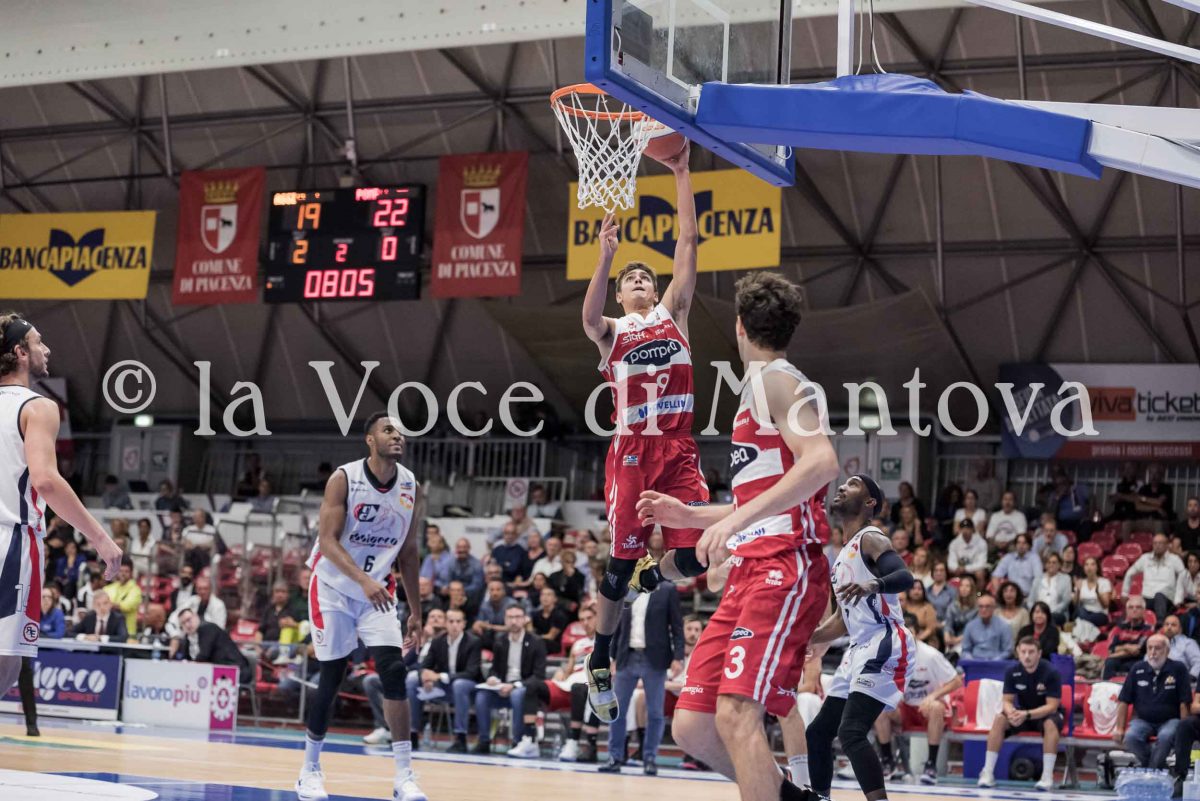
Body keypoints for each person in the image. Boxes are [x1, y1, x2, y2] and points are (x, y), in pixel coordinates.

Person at [636, 270, 837, 801]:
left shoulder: (778, 380)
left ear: (740, 326)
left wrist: (731, 523)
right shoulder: (759, 389)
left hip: (783, 567)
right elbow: (763, 503)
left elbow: (821, 461)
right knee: (693, 725)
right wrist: (694, 515)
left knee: (735, 712)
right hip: (750, 569)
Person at [580, 143, 711, 725]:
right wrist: (605, 257)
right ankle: (599, 659)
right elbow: (588, 320)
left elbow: (689, 242)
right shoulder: (613, 329)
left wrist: (681, 171)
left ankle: (652, 576)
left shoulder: (674, 314)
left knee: (699, 554)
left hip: (678, 448)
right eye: (628, 279)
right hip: (633, 450)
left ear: (655, 292)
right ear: (620, 293)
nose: (637, 281)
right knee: (616, 566)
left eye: (643, 277)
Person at [295, 413, 426, 801]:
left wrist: (416, 612)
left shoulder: (411, 485)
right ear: (370, 440)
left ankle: (404, 777)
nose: (397, 436)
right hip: (333, 588)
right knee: (332, 676)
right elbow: (327, 541)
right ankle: (309, 770)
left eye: (400, 432)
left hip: (378, 592)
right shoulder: (344, 479)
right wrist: (363, 580)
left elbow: (409, 551)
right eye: (388, 430)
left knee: (393, 671)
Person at [0, 312, 121, 698]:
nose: (47, 349)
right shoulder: (38, 407)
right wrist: (100, 538)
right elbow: (46, 482)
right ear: (20, 352)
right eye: (38, 342)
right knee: (6, 665)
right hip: (11, 542)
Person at [806, 475, 916, 801]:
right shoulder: (842, 556)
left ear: (870, 503)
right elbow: (843, 620)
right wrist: (807, 638)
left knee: (851, 732)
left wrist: (873, 584)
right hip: (858, 648)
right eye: (844, 483)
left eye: (853, 485)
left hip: (885, 640)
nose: (842, 487)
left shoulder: (871, 538)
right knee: (818, 732)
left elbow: (904, 577)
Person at [599, 579, 683, 775]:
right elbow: (617, 624)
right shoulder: (627, 588)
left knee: (655, 712)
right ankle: (615, 756)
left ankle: (650, 758)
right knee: (617, 711)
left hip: (655, 657)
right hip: (626, 656)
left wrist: (678, 656)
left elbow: (677, 625)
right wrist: (611, 656)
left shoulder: (667, 589)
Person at [874, 613, 961, 785]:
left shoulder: (931, 655)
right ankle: (887, 762)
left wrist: (932, 696)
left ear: (917, 633)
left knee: (936, 707)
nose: (905, 636)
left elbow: (956, 681)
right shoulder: (891, 654)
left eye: (909, 632)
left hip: (928, 708)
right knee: (881, 708)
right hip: (905, 708)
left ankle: (931, 765)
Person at [977, 636, 1063, 790]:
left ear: (1039, 653)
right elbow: (1007, 701)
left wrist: (1027, 714)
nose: (1027, 656)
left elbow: (1052, 706)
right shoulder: (1012, 671)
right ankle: (987, 773)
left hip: (1046, 714)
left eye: (1031, 652)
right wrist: (1011, 713)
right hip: (1023, 713)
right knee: (999, 718)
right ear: (1018, 652)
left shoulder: (1051, 672)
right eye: (1023, 652)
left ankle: (1047, 777)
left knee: (1050, 723)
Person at [474, 605, 550, 758]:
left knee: (517, 694)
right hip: (502, 688)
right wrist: (493, 678)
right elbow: (495, 669)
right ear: (505, 619)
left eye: (517, 617)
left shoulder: (536, 642)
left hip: (525, 690)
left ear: (524, 619)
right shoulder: (500, 641)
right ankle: (484, 740)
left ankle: (518, 741)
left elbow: (538, 675)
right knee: (482, 696)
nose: (514, 621)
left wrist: (514, 685)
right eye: (510, 617)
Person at [406, 607, 482, 754]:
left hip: (468, 687)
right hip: (443, 687)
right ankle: (412, 733)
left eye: (458, 621)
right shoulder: (437, 641)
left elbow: (471, 672)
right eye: (451, 621)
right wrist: (425, 676)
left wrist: (439, 676)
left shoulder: (473, 642)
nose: (454, 625)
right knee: (412, 678)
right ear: (446, 624)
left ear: (464, 624)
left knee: (459, 685)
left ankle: (461, 738)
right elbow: (424, 666)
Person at [1115, 633, 1191, 768]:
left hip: (1170, 720)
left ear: (1167, 651)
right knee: (1131, 737)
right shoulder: (1137, 669)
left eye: (1157, 648)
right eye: (1149, 648)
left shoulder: (1178, 668)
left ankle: (1150, 770)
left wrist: (1184, 730)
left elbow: (1184, 702)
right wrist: (1119, 728)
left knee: (1166, 736)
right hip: (1143, 721)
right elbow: (1123, 700)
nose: (1153, 652)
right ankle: (1153, 767)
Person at [176, 607, 251, 684]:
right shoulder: (187, 638)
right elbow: (183, 657)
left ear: (196, 617)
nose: (187, 625)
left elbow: (204, 655)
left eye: (189, 620)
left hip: (235, 670)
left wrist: (189, 665)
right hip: (214, 673)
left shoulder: (208, 628)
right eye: (183, 623)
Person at [1124, 532, 1185, 623]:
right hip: (1147, 598)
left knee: (1159, 595)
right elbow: (1129, 573)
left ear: (1167, 545)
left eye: (1160, 543)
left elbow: (1183, 578)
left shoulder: (1174, 559)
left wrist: (1178, 598)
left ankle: (1160, 625)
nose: (1157, 546)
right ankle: (1127, 625)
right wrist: (1124, 593)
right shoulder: (1145, 558)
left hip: (1167, 600)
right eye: (1155, 543)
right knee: (1135, 603)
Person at [1103, 595, 1153, 679]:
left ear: (1144, 611)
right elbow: (1112, 649)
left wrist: (1115, 653)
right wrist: (1126, 647)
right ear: (1127, 610)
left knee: (1111, 660)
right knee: (1110, 663)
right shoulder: (1120, 628)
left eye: (1138, 607)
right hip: (1118, 660)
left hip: (1136, 661)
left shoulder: (1148, 629)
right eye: (1131, 607)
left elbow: (1136, 650)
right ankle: (1106, 686)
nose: (1134, 610)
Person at [961, 593, 1013, 661]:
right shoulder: (970, 626)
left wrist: (995, 660)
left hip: (996, 662)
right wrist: (971, 660)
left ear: (993, 608)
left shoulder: (1003, 626)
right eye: (981, 606)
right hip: (975, 661)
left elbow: (1008, 650)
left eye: (987, 606)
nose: (984, 609)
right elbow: (965, 650)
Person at [1028, 552, 1072, 625]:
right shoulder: (1037, 579)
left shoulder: (1066, 579)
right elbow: (1030, 601)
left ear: (1059, 565)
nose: (1051, 565)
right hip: (1038, 613)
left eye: (1054, 562)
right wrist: (1035, 611)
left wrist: (1048, 612)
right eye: (1048, 562)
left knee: (1049, 619)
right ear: (1045, 565)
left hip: (1057, 613)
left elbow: (1065, 601)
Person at [104, 558, 142, 637]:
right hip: (109, 633)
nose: (123, 574)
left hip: (128, 633)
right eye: (121, 571)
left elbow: (126, 606)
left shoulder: (136, 590)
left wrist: (107, 604)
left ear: (131, 573)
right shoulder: (108, 588)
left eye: (126, 571)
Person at [944, 575, 979, 655]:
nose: (964, 589)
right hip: (953, 638)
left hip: (969, 639)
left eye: (967, 586)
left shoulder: (977, 608)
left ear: (972, 589)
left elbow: (974, 629)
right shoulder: (953, 606)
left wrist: (957, 640)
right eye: (961, 586)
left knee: (958, 651)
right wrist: (947, 636)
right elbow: (948, 624)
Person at [947, 518, 988, 586]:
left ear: (972, 529)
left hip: (974, 569)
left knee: (980, 573)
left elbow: (982, 563)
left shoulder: (981, 542)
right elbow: (951, 562)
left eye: (968, 528)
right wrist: (957, 568)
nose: (965, 531)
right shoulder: (954, 543)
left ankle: (979, 592)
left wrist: (965, 568)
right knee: (950, 570)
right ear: (960, 530)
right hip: (959, 569)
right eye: (963, 528)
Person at [1074, 555, 1112, 628]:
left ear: (1097, 567)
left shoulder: (1104, 582)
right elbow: (1075, 604)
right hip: (1084, 612)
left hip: (1099, 614)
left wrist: (1097, 593)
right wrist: (1078, 591)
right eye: (1086, 565)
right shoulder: (1081, 582)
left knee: (1081, 618)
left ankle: (1081, 624)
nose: (1089, 567)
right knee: (1079, 611)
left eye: (1092, 564)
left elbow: (1105, 605)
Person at [903, 581, 940, 647]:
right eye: (913, 588)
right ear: (908, 590)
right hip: (904, 638)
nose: (916, 591)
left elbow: (930, 629)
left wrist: (917, 639)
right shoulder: (903, 604)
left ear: (923, 592)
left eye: (919, 589)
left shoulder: (928, 607)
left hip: (924, 640)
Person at [1163, 614, 1200, 681]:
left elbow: (1198, 662)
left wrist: (1188, 679)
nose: (1169, 627)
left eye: (1173, 625)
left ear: (1180, 629)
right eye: (1166, 624)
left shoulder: (1188, 643)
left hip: (1181, 682)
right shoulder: (1156, 643)